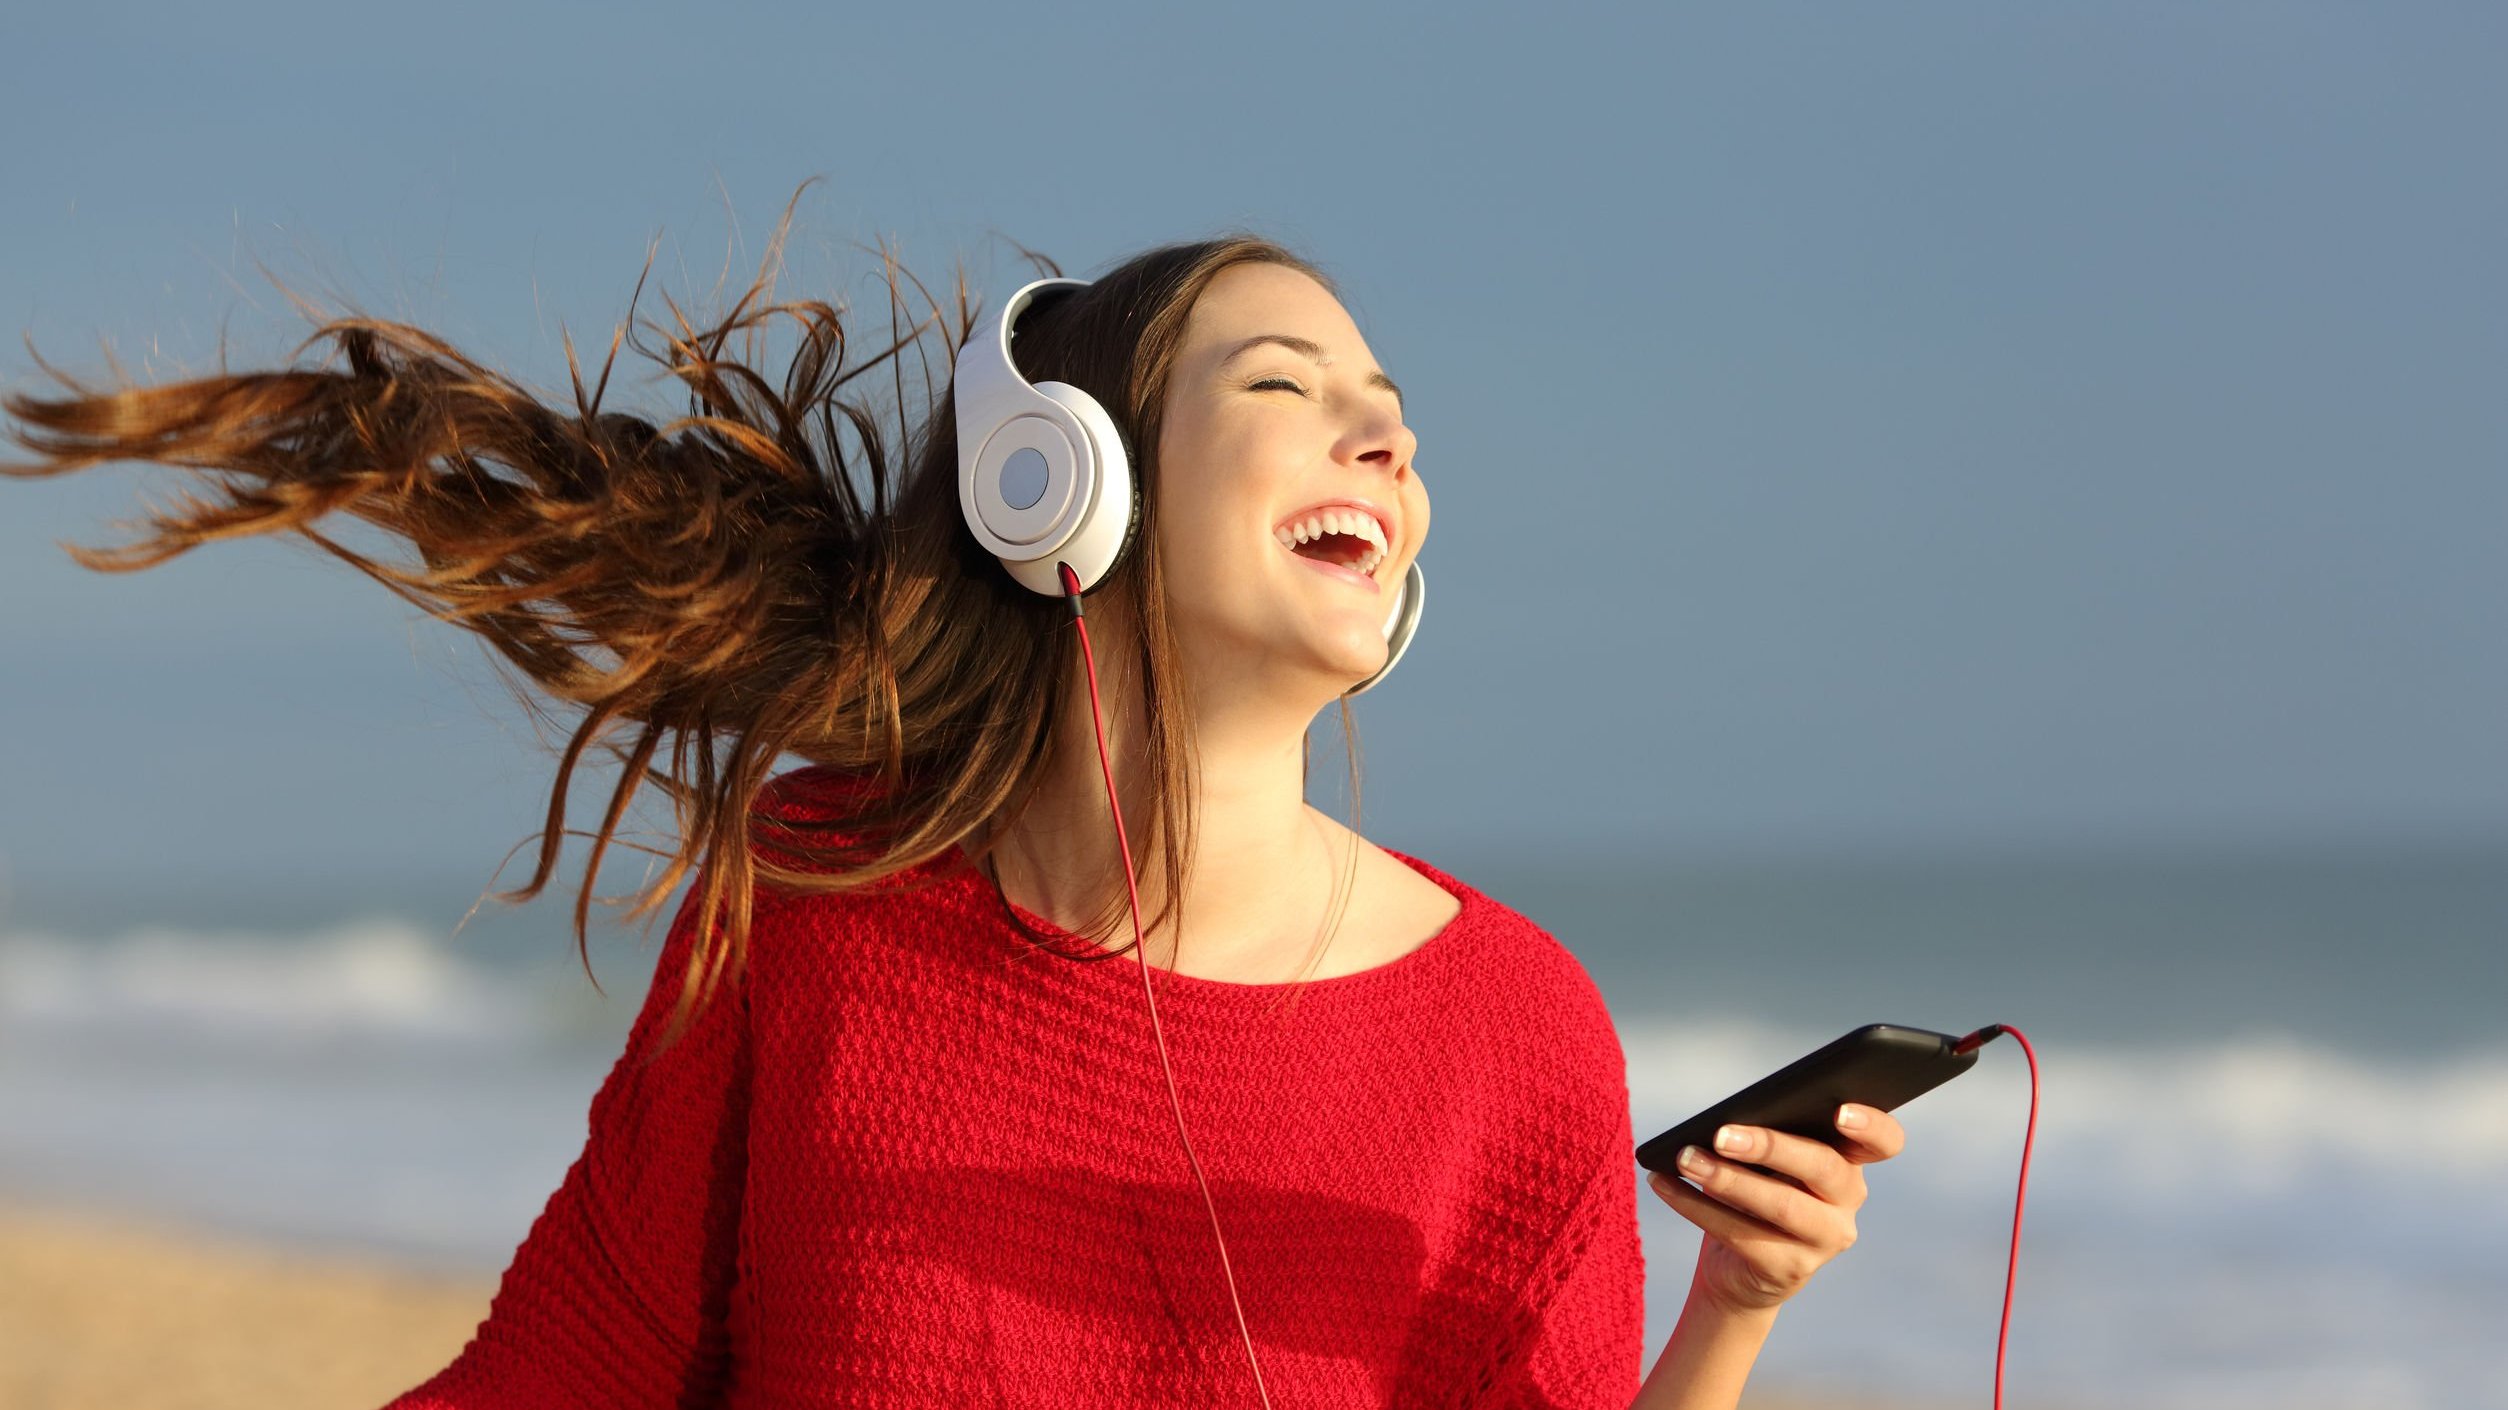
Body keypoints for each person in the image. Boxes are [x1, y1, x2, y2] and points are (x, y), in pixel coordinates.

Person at [0, 194, 1906, 1408]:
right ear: (1065, 490)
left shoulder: (1515, 1028)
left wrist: (1731, 1305)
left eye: (1388, 405)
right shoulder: (823, 896)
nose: (1381, 434)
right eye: (1285, 381)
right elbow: (573, 1366)